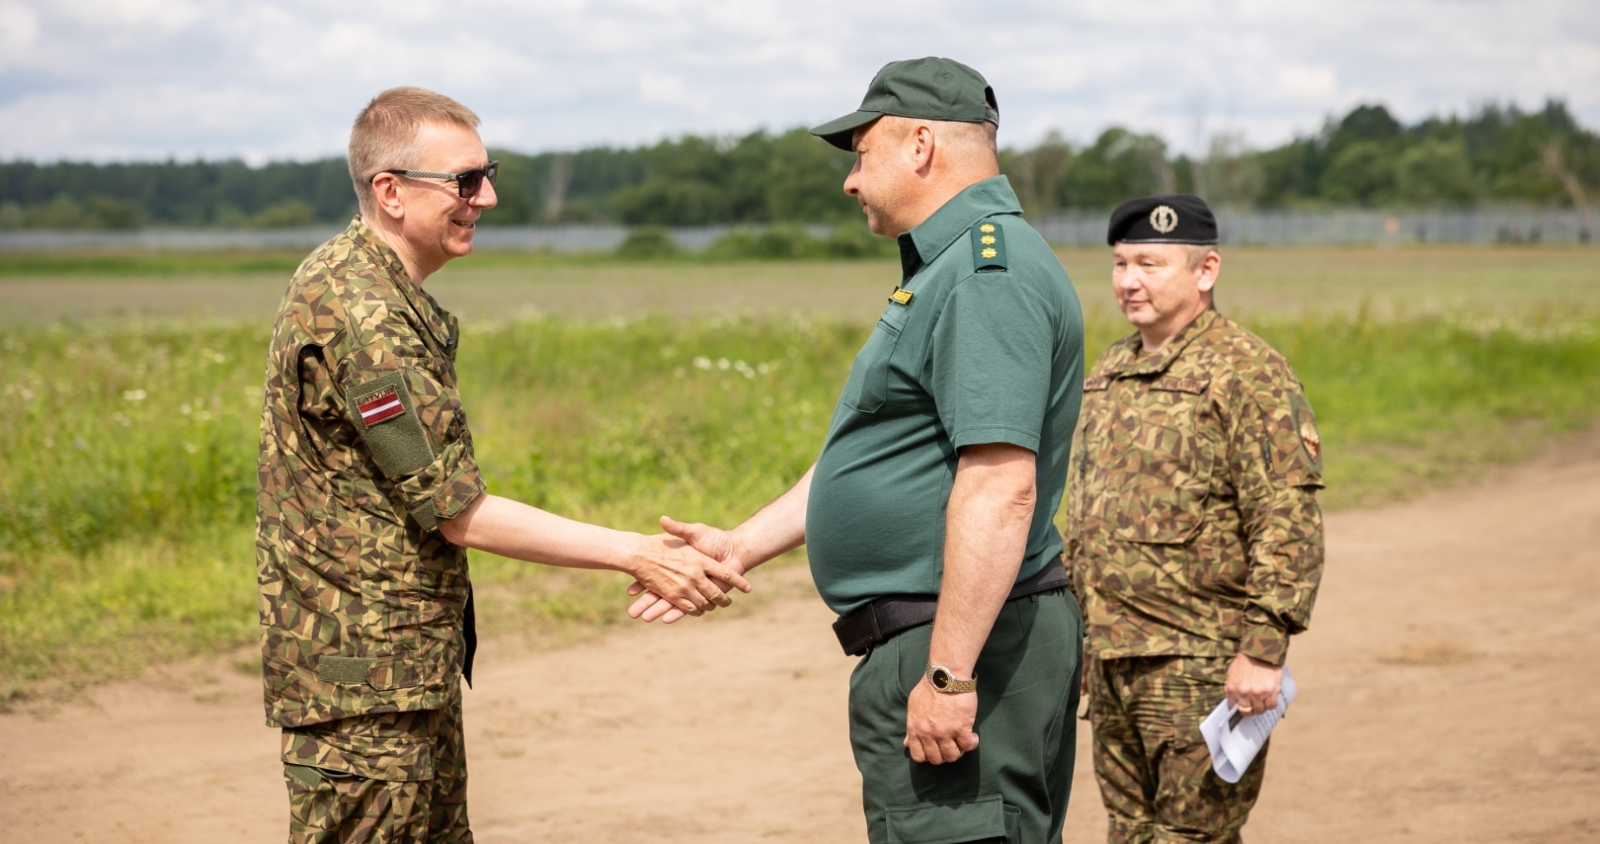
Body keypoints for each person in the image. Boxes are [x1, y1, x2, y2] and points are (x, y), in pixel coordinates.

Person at [256, 86, 748, 844]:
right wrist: (639, 552)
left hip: (398, 667)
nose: (485, 196)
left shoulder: (369, 284)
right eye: (463, 181)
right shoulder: (364, 314)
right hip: (365, 684)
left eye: (486, 174)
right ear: (390, 191)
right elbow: (456, 509)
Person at [629, 57, 1087, 844]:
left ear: (919, 144)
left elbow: (998, 488)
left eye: (861, 152)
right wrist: (739, 544)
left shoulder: (985, 273)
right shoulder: (953, 266)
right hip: (945, 634)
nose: (850, 179)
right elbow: (887, 452)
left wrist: (946, 674)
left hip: (961, 640)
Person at [1065, 194, 1326, 844]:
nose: (1128, 281)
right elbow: (1087, 519)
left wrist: (1263, 649)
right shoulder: (1110, 371)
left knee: (1192, 835)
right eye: (1121, 264)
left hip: (1198, 661)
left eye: (1149, 263)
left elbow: (1285, 512)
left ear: (1205, 270)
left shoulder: (1247, 370)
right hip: (1113, 659)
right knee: (1130, 830)